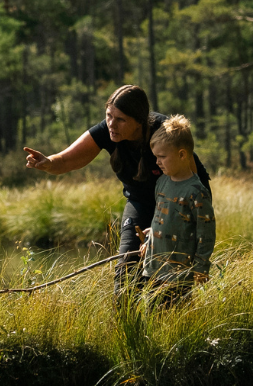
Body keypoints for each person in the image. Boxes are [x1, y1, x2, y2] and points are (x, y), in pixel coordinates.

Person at [23, 84, 211, 294]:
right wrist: (47, 162)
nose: (112, 124)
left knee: (168, 287)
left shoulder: (165, 132)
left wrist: (163, 230)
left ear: (139, 121)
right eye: (108, 115)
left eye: (121, 119)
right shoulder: (108, 130)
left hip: (179, 205)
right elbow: (66, 160)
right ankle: (127, 314)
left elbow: (188, 184)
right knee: (126, 278)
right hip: (140, 203)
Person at [139, 115, 215, 304]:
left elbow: (206, 233)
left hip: (179, 273)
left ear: (182, 155)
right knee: (151, 312)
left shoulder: (196, 192)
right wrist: (150, 239)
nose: (157, 162)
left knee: (175, 313)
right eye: (156, 157)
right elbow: (160, 216)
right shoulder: (162, 182)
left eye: (162, 157)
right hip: (154, 267)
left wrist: (201, 267)